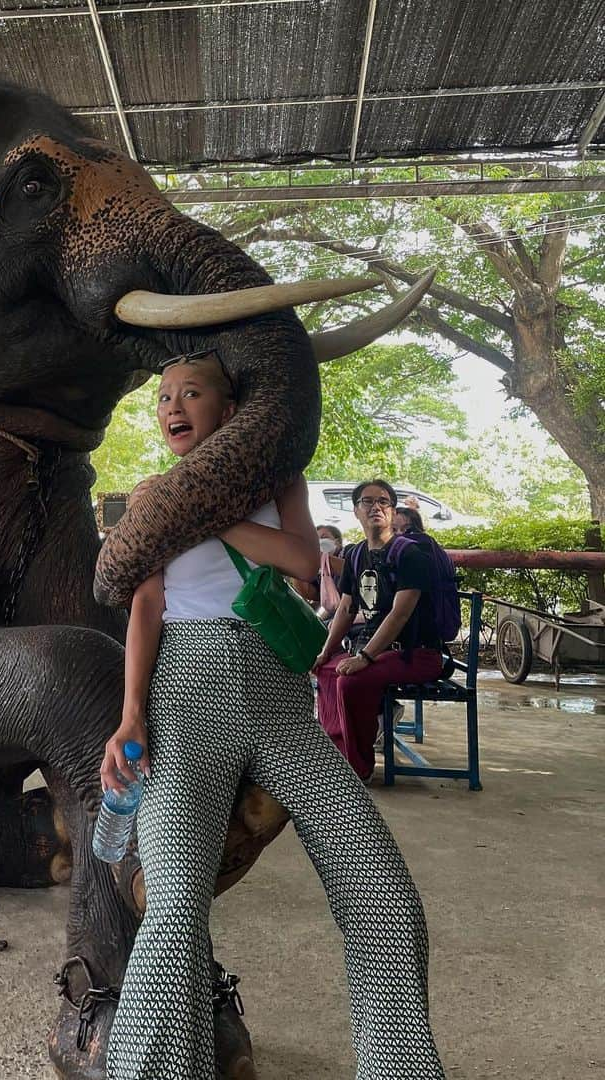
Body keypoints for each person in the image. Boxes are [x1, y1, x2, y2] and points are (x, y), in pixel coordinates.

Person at [102, 356, 446, 1080]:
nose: (173, 404)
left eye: (191, 391)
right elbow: (145, 606)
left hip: (280, 700)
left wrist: (212, 510)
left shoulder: (275, 478)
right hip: (185, 695)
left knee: (381, 889)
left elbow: (300, 563)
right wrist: (131, 717)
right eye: (164, 396)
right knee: (173, 906)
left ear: (229, 411)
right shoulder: (151, 495)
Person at [314, 480, 444, 781]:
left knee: (351, 680)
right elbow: (346, 609)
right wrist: (326, 650)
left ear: (392, 510)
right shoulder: (357, 555)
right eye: (367, 501)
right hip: (376, 651)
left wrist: (366, 657)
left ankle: (357, 767)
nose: (376, 507)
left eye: (384, 502)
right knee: (326, 670)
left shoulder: (410, 554)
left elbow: (400, 614)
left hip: (416, 654)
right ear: (356, 511)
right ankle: (338, 749)